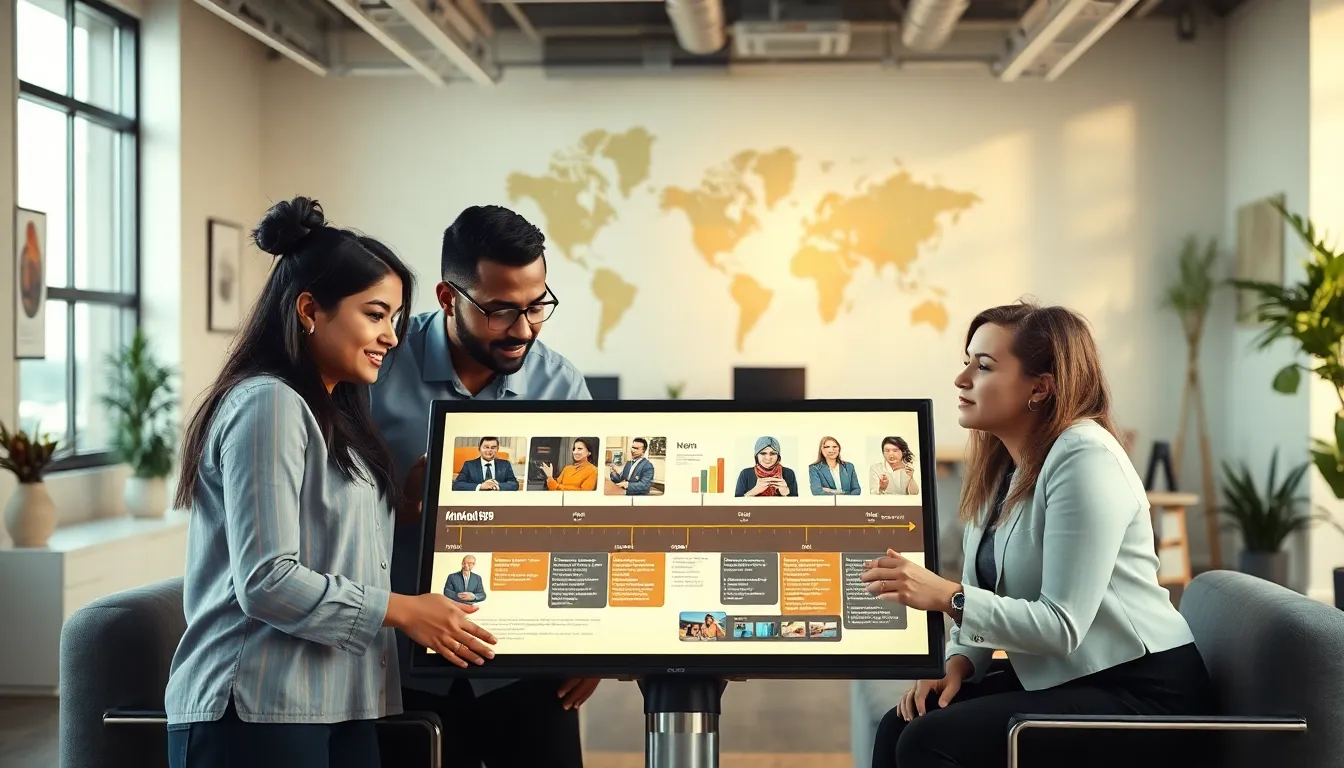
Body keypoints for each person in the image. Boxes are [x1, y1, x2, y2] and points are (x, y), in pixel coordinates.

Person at [163, 197, 496, 768]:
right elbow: (266, 580)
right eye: (375, 314)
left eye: (394, 317)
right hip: (256, 709)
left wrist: (410, 504)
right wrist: (404, 610)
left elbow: (329, 539)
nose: (391, 336)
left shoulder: (335, 413)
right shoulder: (268, 404)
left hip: (341, 704)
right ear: (310, 309)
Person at [859, 301, 1211, 768]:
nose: (962, 380)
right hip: (1073, 679)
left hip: (1142, 694)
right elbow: (982, 594)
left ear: (1040, 388)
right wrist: (958, 663)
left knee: (929, 741)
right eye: (966, 362)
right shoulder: (1002, 465)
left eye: (983, 366)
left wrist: (948, 597)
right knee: (901, 724)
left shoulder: (1085, 457)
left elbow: (1062, 625)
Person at [370, 204, 599, 768]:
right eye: (500, 311)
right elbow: (325, 512)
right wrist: (401, 502)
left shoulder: (560, 383)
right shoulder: (375, 371)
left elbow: (590, 528)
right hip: (397, 673)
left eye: (537, 305)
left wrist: (592, 643)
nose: (523, 330)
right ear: (449, 298)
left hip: (526, 669)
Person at [734, 436, 799, 497]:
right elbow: (735, 504)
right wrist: (754, 491)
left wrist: (786, 493)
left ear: (778, 456)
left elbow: (797, 506)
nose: (768, 458)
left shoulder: (789, 473)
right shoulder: (745, 474)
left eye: (773, 453)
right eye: (763, 453)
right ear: (756, 456)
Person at [451, 436, 519, 491]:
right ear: (479, 449)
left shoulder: (505, 464)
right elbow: (457, 485)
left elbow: (515, 484)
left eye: (493, 448)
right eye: (486, 447)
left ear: (497, 449)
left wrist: (498, 485)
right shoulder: (469, 465)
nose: (489, 450)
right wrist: (480, 486)